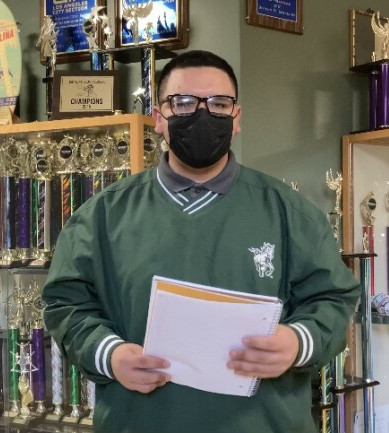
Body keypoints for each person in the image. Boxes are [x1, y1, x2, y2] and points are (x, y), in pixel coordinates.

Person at [42, 49, 360, 433]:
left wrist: (297, 341)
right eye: (184, 102)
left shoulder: (291, 214)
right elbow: (65, 305)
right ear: (158, 118)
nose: (203, 113)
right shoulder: (101, 218)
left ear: (236, 118)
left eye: (219, 103)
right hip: (140, 422)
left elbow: (333, 299)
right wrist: (109, 355)